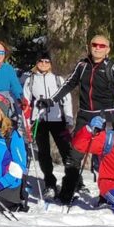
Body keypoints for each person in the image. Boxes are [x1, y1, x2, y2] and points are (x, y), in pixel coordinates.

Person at [46, 34, 114, 130]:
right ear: (89, 47)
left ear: (107, 50)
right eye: (94, 45)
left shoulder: (111, 68)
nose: (97, 48)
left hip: (106, 115)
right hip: (84, 114)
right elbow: (69, 84)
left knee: (103, 144)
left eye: (102, 46)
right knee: (78, 144)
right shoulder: (82, 65)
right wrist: (52, 100)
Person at [23, 52, 77, 205]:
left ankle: (74, 182)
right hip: (39, 120)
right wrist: (28, 122)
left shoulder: (58, 79)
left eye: (47, 61)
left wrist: (69, 119)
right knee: (43, 153)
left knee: (67, 151)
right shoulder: (30, 80)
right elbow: (26, 102)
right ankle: (50, 183)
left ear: (51, 64)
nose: (44, 64)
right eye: (41, 61)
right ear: (37, 63)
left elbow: (66, 100)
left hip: (57, 119)